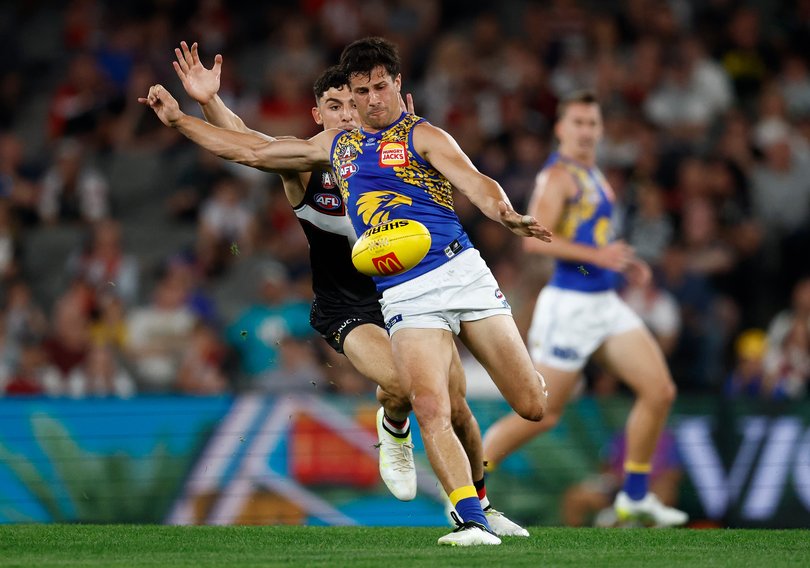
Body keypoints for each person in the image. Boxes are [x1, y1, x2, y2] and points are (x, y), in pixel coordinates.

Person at [159, 40, 543, 544]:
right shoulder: (316, 161)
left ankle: (480, 504)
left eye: (362, 96)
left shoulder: (404, 141)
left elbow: (473, 179)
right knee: (424, 397)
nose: (352, 110)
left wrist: (504, 211)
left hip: (440, 277)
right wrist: (194, 111)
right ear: (318, 113)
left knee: (480, 403)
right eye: (340, 103)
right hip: (361, 303)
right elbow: (251, 147)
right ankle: (451, 496)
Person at [482, 90, 688, 527]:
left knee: (659, 391)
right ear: (560, 128)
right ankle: (465, 487)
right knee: (540, 413)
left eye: (592, 123)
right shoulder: (557, 176)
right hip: (570, 307)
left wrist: (623, 266)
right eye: (577, 122)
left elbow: (593, 239)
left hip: (603, 302)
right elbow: (534, 233)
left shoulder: (591, 172)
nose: (586, 130)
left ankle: (634, 497)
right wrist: (600, 259)